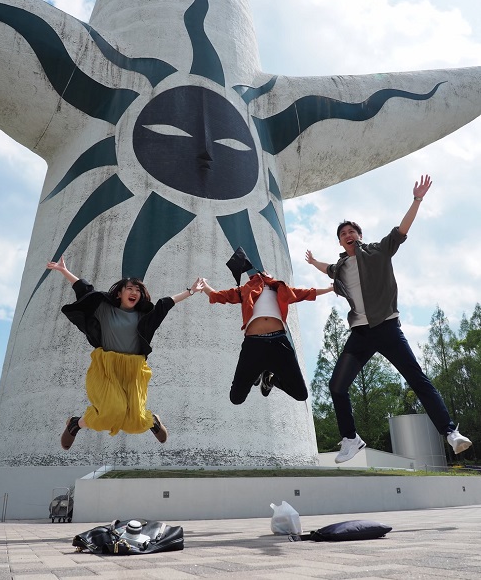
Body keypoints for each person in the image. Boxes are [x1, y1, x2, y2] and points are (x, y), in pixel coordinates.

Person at [306, 174, 472, 463]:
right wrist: (312, 262)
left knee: (417, 379)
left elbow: (402, 230)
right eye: (343, 233)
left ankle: (450, 432)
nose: (348, 234)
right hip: (360, 333)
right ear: (340, 241)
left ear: (359, 235)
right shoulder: (341, 266)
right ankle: (351, 439)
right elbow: (327, 268)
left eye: (352, 231)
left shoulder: (378, 251)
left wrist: (417, 199)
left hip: (387, 328)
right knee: (336, 386)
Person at [47, 256, 203, 450]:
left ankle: (153, 421)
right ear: (119, 293)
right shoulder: (104, 309)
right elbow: (85, 290)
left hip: (134, 370)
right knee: (111, 411)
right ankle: (75, 424)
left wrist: (191, 291)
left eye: (138, 290)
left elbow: (165, 304)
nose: (134, 292)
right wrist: (64, 271)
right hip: (106, 367)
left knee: (136, 422)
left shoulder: (144, 316)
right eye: (129, 288)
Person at [201, 249, 333, 404]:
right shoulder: (245, 290)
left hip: (279, 343)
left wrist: (330, 289)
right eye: (259, 273)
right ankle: (258, 371)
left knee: (300, 394)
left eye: (266, 272)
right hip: (253, 345)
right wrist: (204, 285)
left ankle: (269, 380)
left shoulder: (281, 289)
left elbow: (307, 293)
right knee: (236, 398)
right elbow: (218, 296)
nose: (262, 273)